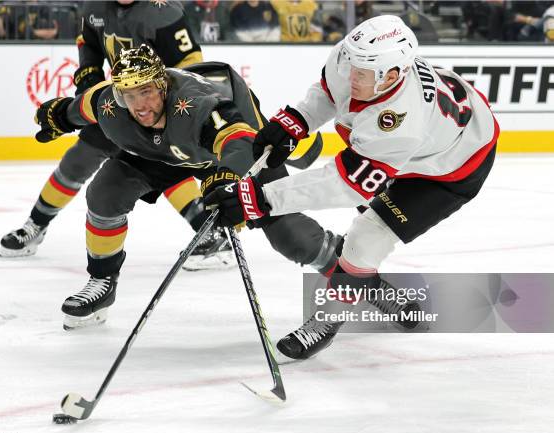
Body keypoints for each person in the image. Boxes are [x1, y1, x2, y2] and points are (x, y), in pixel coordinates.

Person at [205, 15, 500, 359]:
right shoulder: (355, 58)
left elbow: (344, 185)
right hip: (419, 146)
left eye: (361, 73)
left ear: (393, 76)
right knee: (359, 257)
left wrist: (260, 199)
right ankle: (375, 289)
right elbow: (329, 92)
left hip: (450, 169)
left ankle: (327, 322)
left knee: (366, 237)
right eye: (351, 64)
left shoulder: (399, 121)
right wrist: (297, 120)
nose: (351, 75)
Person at [33, 44, 341, 330]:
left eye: (147, 91)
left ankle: (350, 273)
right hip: (165, 154)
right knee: (104, 194)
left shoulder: (197, 105)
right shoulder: (110, 106)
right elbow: (82, 107)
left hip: (228, 152)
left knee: (290, 236)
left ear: (163, 85)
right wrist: (61, 115)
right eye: (130, 95)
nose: (140, 105)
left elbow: (239, 142)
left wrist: (227, 176)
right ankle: (102, 281)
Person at [0, 1, 226, 271]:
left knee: (161, 167)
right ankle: (36, 224)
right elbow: (89, 43)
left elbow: (191, 67)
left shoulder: (164, 11)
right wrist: (89, 79)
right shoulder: (95, 6)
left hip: (160, 110)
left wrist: (171, 113)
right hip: (120, 104)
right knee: (78, 160)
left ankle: (210, 231)